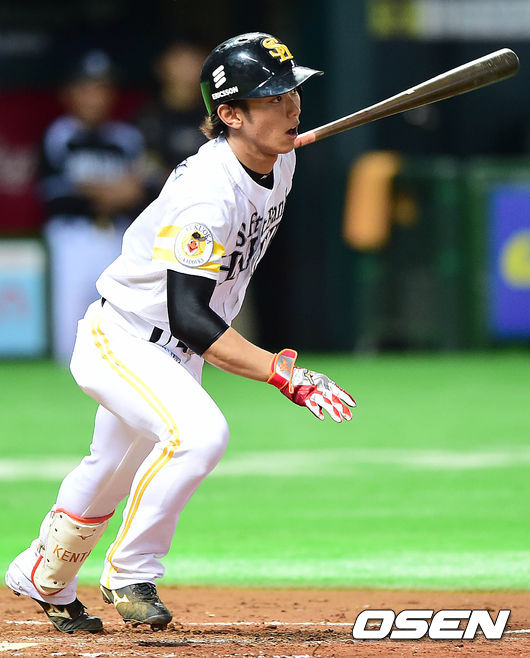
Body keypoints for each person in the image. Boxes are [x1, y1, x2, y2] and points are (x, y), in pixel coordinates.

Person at [5, 32, 356, 633]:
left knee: (110, 470)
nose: (292, 105)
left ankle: (43, 572)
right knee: (199, 436)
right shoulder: (206, 193)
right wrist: (283, 373)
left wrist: (271, 138)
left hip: (173, 349)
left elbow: (193, 324)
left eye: (292, 92)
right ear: (230, 114)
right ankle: (130, 571)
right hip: (125, 337)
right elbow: (190, 315)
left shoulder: (280, 158)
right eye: (273, 97)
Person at [40, 49, 148, 363]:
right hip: (72, 236)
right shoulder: (59, 135)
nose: (96, 98)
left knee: (121, 317)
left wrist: (104, 189)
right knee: (70, 323)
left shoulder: (126, 137)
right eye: (87, 88)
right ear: (70, 93)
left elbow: (140, 189)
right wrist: (113, 190)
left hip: (118, 235)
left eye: (102, 89)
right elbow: (63, 188)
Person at [136, 39, 208, 196]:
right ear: (162, 66)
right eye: (181, 61)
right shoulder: (147, 118)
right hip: (157, 201)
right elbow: (142, 170)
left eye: (194, 61)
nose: (188, 70)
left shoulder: (219, 117)